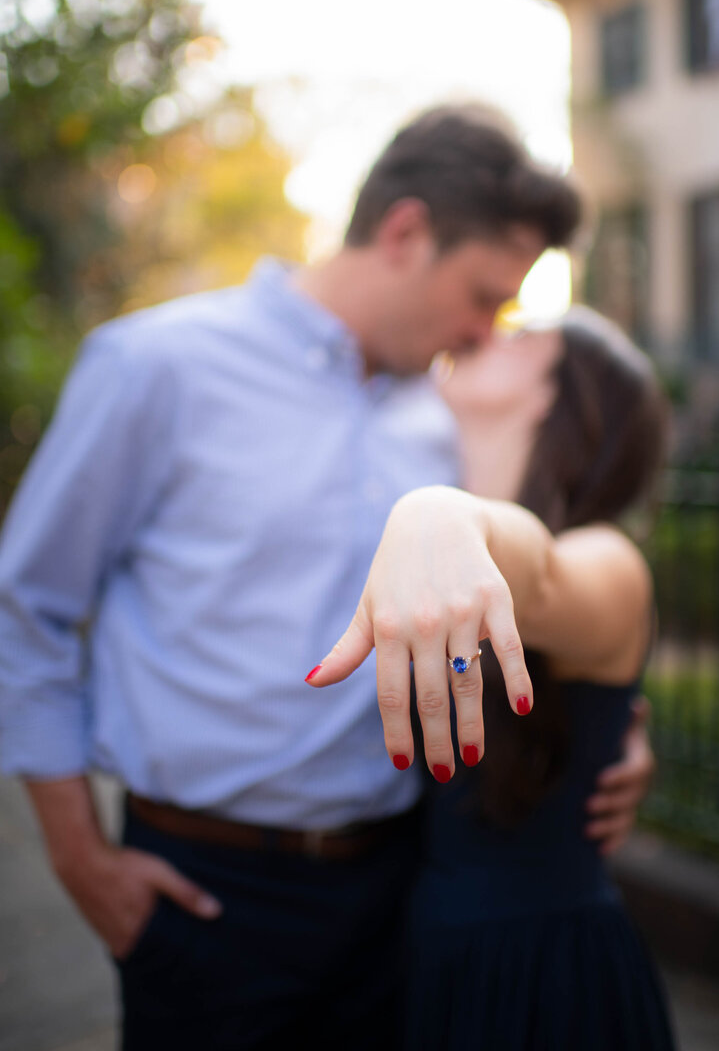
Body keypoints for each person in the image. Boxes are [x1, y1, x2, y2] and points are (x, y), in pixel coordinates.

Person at [0, 104, 651, 1049]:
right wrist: (78, 859)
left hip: (400, 888)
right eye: (481, 294)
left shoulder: (452, 413)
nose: (483, 332)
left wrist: (613, 733)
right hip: (206, 895)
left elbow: (550, 570)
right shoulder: (155, 366)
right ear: (404, 233)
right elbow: (28, 608)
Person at [312, 306, 676, 1049]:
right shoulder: (404, 491)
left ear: (557, 397)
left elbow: (538, 580)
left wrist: (443, 516)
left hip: (545, 978)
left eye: (523, 334)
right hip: (416, 954)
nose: (486, 329)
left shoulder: (610, 560)